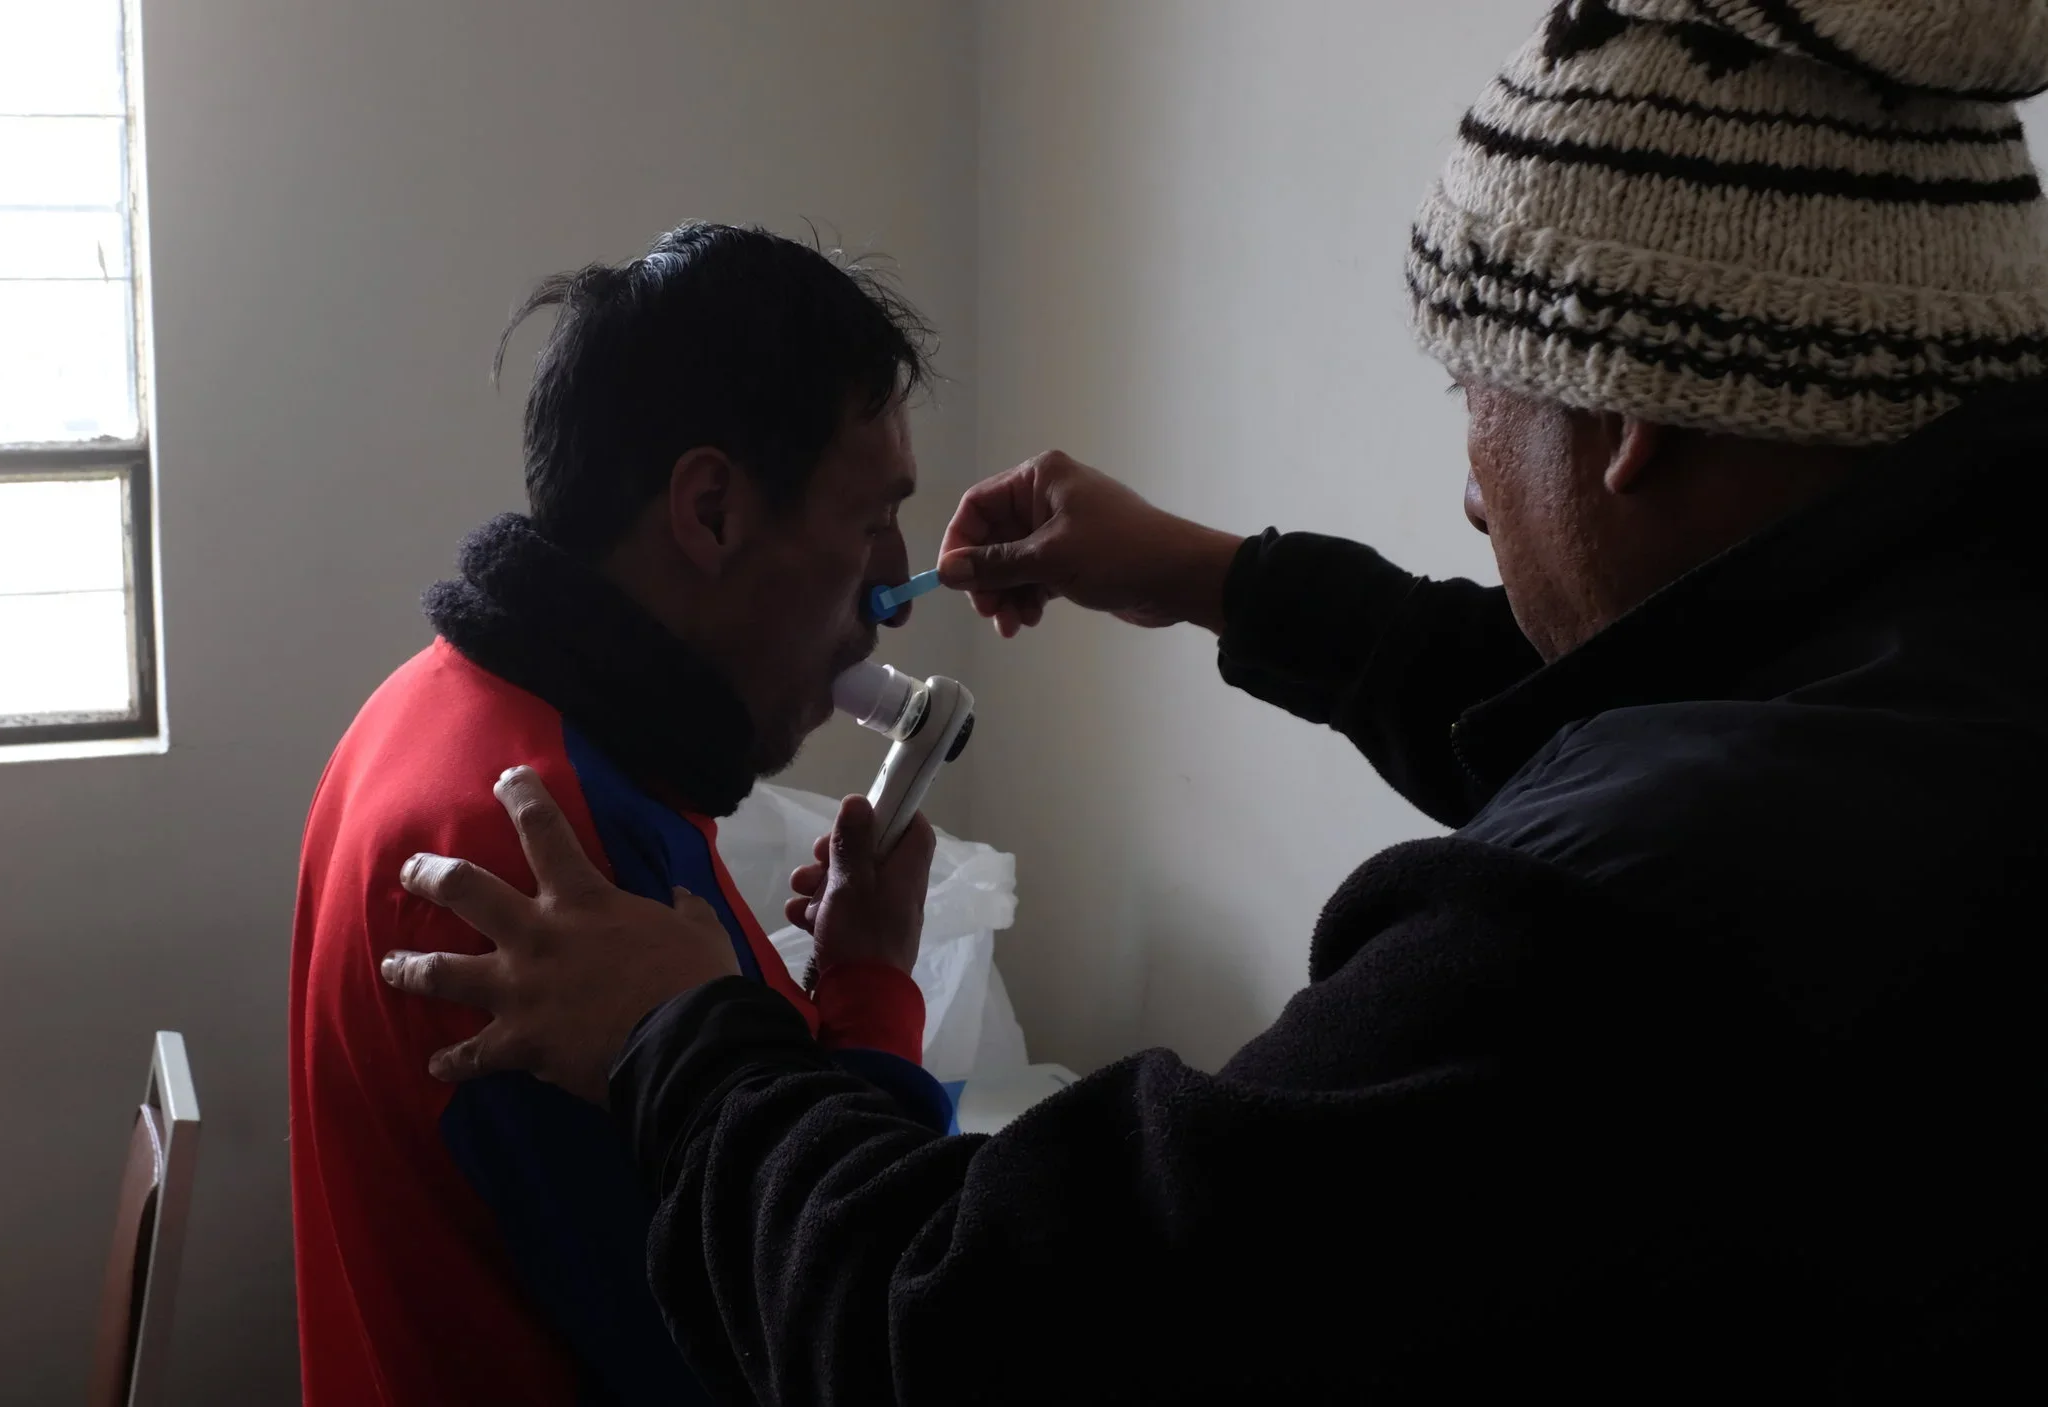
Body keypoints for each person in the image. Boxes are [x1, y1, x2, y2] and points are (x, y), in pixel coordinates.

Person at [381, 3, 2048, 1399]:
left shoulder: (1613, 928)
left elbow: (960, 1333)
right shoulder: (1943, 671)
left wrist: (703, 1038)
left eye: (1479, 402)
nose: (1474, 493)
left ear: (1629, 421)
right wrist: (1220, 579)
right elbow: (1637, 706)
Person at [288, 221, 953, 1407]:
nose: (891, 595)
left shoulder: (449, 706)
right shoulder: (545, 853)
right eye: (868, 524)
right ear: (710, 511)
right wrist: (873, 1009)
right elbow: (811, 1347)